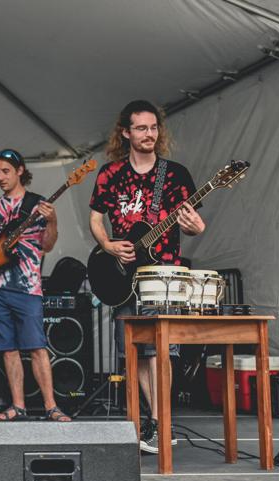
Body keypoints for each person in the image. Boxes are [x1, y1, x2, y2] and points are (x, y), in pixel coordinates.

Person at [89, 99, 205, 453]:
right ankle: (153, 421)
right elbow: (96, 218)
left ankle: (160, 421)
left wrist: (197, 227)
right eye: (141, 128)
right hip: (122, 274)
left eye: (153, 127)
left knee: (162, 350)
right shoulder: (110, 174)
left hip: (162, 274)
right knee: (136, 353)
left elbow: (195, 224)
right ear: (125, 132)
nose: (149, 134)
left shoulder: (175, 174)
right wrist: (108, 245)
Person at [0, 148, 71, 423]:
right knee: (7, 349)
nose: (0, 177)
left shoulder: (38, 204)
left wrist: (52, 220)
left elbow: (48, 245)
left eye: (5, 171)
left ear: (19, 171)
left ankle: (52, 406)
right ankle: (18, 405)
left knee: (37, 347)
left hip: (28, 286)